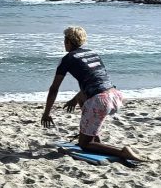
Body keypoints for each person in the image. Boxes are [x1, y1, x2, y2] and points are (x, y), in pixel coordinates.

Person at [40, 26, 144, 161]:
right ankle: (94, 139)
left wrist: (46, 113)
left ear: (69, 42)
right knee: (82, 99)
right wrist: (75, 99)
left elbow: (54, 89)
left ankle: (122, 152)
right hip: (115, 96)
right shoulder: (93, 53)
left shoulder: (67, 59)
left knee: (84, 144)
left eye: (64, 40)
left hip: (100, 101)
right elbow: (95, 79)